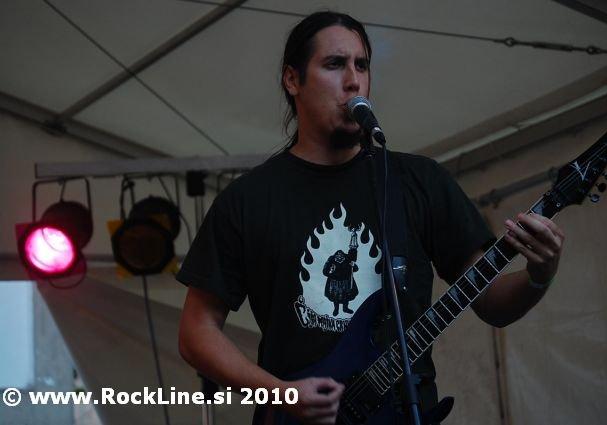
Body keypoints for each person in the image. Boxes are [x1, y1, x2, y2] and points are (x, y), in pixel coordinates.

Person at [177, 11, 565, 425]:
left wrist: (540, 274)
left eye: (361, 65)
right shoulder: (249, 199)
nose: (353, 81)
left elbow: (490, 303)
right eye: (334, 64)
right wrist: (280, 393)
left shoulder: (418, 181)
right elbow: (196, 332)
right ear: (292, 80)